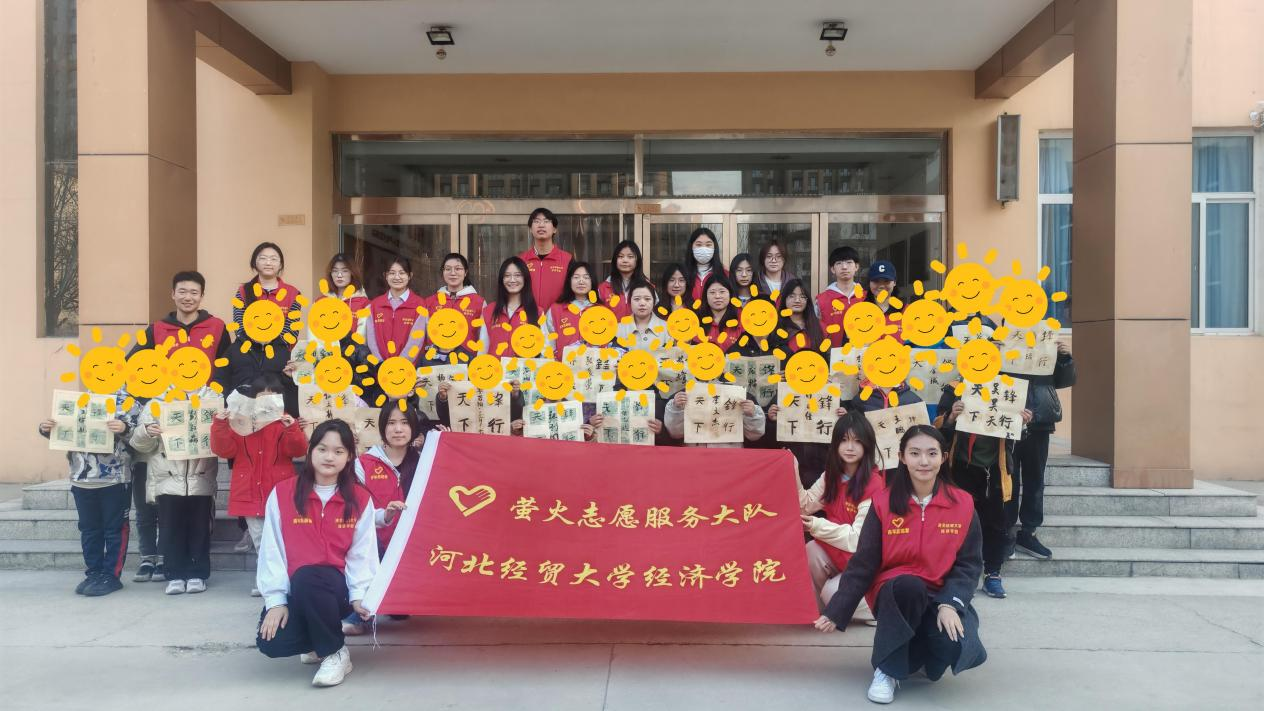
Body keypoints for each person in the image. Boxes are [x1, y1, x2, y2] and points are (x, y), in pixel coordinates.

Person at [816, 425, 986, 704]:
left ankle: (918, 656)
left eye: (932, 454)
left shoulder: (963, 504)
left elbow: (969, 565)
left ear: (943, 457)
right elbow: (864, 562)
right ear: (902, 457)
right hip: (895, 592)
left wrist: (950, 603)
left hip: (939, 594)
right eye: (915, 453)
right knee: (909, 585)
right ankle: (886, 669)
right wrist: (837, 609)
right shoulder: (883, 503)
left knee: (954, 646)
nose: (923, 461)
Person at [255, 420, 378, 688]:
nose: (329, 457)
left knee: (310, 576)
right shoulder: (283, 493)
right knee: (272, 642)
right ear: (310, 451)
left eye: (338, 451)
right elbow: (272, 550)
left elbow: (363, 553)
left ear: (349, 457)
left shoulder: (359, 499)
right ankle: (318, 643)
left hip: (337, 590)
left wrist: (359, 595)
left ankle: (335, 652)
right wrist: (276, 601)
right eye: (322, 449)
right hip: (298, 589)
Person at [128, 270, 231, 583]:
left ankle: (195, 565)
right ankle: (165, 561)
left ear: (202, 296)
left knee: (199, 496)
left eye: (194, 292)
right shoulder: (156, 329)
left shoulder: (217, 327)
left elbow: (227, 366)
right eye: (182, 291)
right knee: (168, 498)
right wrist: (152, 405)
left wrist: (217, 400)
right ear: (173, 294)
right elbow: (135, 367)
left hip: (201, 422)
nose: (188, 297)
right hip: (169, 426)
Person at [343, 400, 440, 635]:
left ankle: (399, 597)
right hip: (375, 545)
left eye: (404, 423)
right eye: (391, 423)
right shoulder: (362, 464)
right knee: (366, 543)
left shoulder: (426, 462)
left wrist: (449, 442)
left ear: (414, 427)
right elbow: (357, 515)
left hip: (413, 549)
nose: (398, 429)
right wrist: (384, 516)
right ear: (382, 427)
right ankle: (360, 615)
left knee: (399, 611)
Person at [210, 373, 308, 595]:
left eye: (273, 396)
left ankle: (282, 578)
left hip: (279, 489)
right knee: (259, 538)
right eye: (262, 396)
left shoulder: (285, 421)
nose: (267, 401)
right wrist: (220, 424)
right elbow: (224, 450)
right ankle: (264, 579)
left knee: (282, 537)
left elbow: (297, 450)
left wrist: (292, 429)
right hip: (249, 489)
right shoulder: (241, 421)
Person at [38, 391, 139, 597]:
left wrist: (125, 428)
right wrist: (47, 429)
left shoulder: (128, 402)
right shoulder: (78, 400)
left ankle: (111, 576)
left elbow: (142, 438)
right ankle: (94, 573)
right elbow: (67, 431)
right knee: (89, 529)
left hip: (115, 478)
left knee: (115, 529)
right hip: (81, 477)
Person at [935, 384, 1032, 600]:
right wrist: (951, 417)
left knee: (997, 523)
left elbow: (1018, 437)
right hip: (961, 468)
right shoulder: (955, 388)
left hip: (996, 469)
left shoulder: (1007, 387)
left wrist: (1023, 423)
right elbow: (939, 432)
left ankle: (993, 573)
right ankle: (958, 576)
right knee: (958, 524)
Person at [129, 386, 219, 595]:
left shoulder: (212, 398)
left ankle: (197, 574)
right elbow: (139, 445)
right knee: (170, 529)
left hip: (200, 477)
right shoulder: (157, 402)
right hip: (167, 478)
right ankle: (174, 575)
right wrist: (146, 431)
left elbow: (223, 439)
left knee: (200, 529)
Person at [797, 412, 883, 620]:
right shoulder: (831, 476)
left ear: (867, 445)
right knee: (811, 550)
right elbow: (805, 506)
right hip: (842, 557)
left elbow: (857, 539)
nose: (850, 447)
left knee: (832, 594)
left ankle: (878, 608)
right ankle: (824, 610)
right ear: (835, 443)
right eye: (844, 440)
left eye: (857, 441)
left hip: (865, 564)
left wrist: (816, 525)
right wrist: (792, 468)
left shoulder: (874, 484)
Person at [1007, 340, 1076, 560]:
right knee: (1007, 479)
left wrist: (1064, 358)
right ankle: (1006, 533)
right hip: (1007, 420)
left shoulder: (1045, 341)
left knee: (1035, 479)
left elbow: (1065, 381)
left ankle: (1029, 532)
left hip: (1040, 421)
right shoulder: (1003, 339)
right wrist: (991, 352)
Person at [232, 242, 302, 343]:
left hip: (280, 350)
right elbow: (239, 327)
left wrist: (270, 344)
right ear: (255, 262)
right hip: (249, 349)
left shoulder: (293, 294)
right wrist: (256, 343)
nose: (268, 263)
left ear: (280, 264)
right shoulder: (243, 291)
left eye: (273, 259)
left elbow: (292, 329)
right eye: (263, 258)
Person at [366, 255, 426, 363]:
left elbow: (416, 341)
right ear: (385, 276)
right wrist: (379, 363)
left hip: (408, 368)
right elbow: (371, 339)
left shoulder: (419, 305)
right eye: (392, 273)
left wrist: (399, 365)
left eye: (402, 273)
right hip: (380, 368)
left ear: (410, 276)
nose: (397, 277)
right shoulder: (375, 305)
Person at [479, 257, 540, 356]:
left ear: (525, 278)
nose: (512, 280)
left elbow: (544, 351)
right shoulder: (489, 311)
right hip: (494, 366)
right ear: (502, 280)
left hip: (523, 366)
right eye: (507, 275)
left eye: (517, 275)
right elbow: (482, 350)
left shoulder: (538, 312)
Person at [664, 389, 765, 449]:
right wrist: (676, 408)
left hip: (730, 457)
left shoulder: (740, 394)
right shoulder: (684, 394)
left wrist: (752, 415)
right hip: (694, 457)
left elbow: (754, 435)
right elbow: (675, 433)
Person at [518, 207, 572, 308]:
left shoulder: (568, 260)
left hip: (557, 316)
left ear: (554, 229)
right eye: (536, 221)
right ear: (530, 229)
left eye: (546, 221)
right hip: (527, 316)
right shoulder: (521, 260)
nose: (541, 225)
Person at [817, 246, 866, 348]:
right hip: (833, 354)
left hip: (863, 354)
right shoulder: (821, 300)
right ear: (832, 269)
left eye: (849, 262)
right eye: (839, 263)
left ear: (856, 267)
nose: (844, 267)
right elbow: (815, 330)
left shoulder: (866, 297)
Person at [544, 260, 595, 355]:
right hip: (562, 363)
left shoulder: (601, 310)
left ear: (592, 281)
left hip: (592, 363)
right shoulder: (555, 310)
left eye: (586, 277)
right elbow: (548, 340)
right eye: (576, 277)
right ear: (569, 281)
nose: (581, 281)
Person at [421, 252, 484, 327]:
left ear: (465, 272)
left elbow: (484, 333)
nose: (453, 273)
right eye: (448, 269)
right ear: (443, 272)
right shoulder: (430, 302)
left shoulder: (479, 302)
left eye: (458, 269)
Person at [322, 254, 371, 343]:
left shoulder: (364, 304)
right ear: (330, 274)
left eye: (345, 271)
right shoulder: (321, 301)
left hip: (352, 350)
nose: (339, 275)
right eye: (335, 271)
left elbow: (361, 338)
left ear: (352, 273)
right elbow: (314, 333)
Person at [693, 272, 743, 352]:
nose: (717, 296)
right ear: (706, 296)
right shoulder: (696, 320)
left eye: (722, 292)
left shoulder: (742, 317)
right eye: (712, 292)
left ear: (730, 294)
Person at [598, 240, 645, 320]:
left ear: (637, 260)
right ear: (615, 260)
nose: (625, 260)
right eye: (620, 256)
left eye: (630, 257)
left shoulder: (647, 287)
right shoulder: (603, 288)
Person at [776, 278, 825, 353]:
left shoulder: (820, 327)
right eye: (792, 296)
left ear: (807, 300)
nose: (797, 300)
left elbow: (828, 356)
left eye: (802, 296)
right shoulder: (776, 327)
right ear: (784, 299)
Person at [616, 280, 668, 350]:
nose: (642, 303)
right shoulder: (617, 330)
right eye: (637, 299)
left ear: (654, 301)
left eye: (647, 299)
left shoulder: (667, 329)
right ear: (629, 301)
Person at [865, 260, 903, 342]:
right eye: (876, 281)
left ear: (894, 282)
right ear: (869, 283)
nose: (881, 286)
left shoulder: (906, 311)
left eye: (886, 281)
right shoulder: (858, 311)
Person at [682, 227, 724, 302]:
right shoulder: (682, 274)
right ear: (691, 247)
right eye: (698, 245)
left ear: (714, 247)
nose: (704, 249)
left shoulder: (724, 274)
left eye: (708, 245)